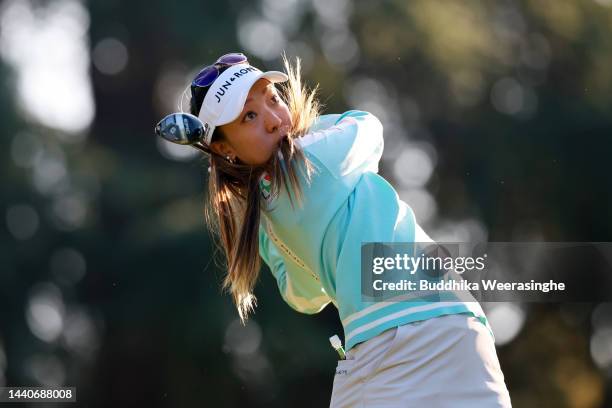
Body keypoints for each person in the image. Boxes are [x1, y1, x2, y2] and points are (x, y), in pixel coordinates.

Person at [156, 52, 512, 407]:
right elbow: (367, 127)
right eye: (250, 116)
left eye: (274, 100)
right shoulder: (314, 160)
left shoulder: (264, 215)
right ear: (224, 148)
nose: (274, 120)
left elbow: (305, 295)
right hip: (419, 331)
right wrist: (307, 132)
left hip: (415, 333)